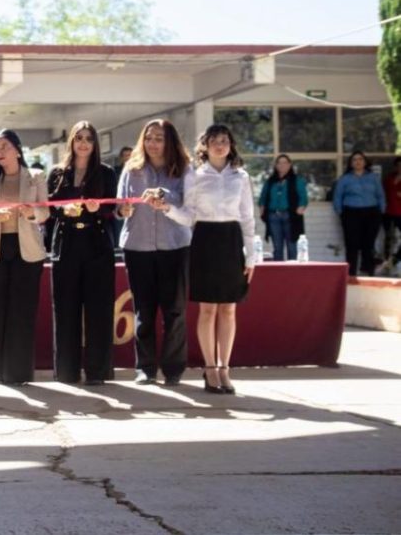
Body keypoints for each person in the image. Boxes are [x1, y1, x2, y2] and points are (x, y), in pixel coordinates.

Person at [151, 124, 255, 395]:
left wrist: (251, 256)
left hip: (232, 240)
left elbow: (247, 218)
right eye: (214, 141)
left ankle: (225, 368)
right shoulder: (194, 176)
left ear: (231, 145)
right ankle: (210, 369)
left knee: (229, 309)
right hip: (205, 240)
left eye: (224, 141)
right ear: (205, 146)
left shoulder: (241, 176)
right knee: (208, 309)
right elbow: (188, 216)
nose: (220, 145)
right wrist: (167, 208)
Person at [117, 119, 192, 386]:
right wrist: (123, 209)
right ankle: (145, 369)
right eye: (149, 138)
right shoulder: (132, 168)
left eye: (159, 138)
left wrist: (165, 199)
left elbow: (189, 207)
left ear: (170, 141)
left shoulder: (184, 169)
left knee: (175, 311)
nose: (153, 143)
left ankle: (173, 369)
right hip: (138, 247)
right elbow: (120, 205)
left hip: (175, 246)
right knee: (144, 311)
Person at [47, 121, 117, 385]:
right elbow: (49, 207)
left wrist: (98, 208)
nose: (84, 143)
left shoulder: (106, 172)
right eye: (79, 138)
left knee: (99, 310)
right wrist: (63, 209)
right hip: (66, 245)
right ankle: (67, 371)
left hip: (97, 244)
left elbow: (113, 207)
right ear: (72, 142)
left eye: (88, 138)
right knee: (66, 310)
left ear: (95, 143)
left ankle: (98, 372)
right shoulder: (58, 173)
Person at [0, 129, 49, 386]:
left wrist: (31, 213)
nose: (0, 152)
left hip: (27, 250)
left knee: (22, 312)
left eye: (5, 146)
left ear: (17, 150)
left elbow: (44, 212)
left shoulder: (35, 176)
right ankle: (0, 371)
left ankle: (19, 373)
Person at [333, 150, 386, 276]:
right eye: (355, 160)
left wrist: (381, 210)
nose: (358, 162)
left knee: (369, 244)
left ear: (365, 162)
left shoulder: (373, 177)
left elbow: (380, 195)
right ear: (351, 163)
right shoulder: (345, 179)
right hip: (351, 213)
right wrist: (340, 212)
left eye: (360, 159)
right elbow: (337, 196)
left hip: (371, 213)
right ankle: (351, 274)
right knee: (352, 244)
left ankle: (368, 272)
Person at [258, 154, 308, 261]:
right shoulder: (270, 181)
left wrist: (300, 209)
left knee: (292, 247)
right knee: (277, 247)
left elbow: (303, 197)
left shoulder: (297, 180)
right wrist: (262, 209)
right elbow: (263, 197)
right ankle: (278, 270)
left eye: (285, 163)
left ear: (290, 165)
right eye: (279, 163)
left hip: (290, 216)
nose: (282, 165)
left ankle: (293, 270)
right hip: (273, 216)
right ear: (276, 165)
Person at [384, 157, 401, 273]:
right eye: (399, 166)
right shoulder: (389, 178)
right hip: (389, 212)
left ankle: (395, 259)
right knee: (388, 238)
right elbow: (383, 192)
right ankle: (386, 262)